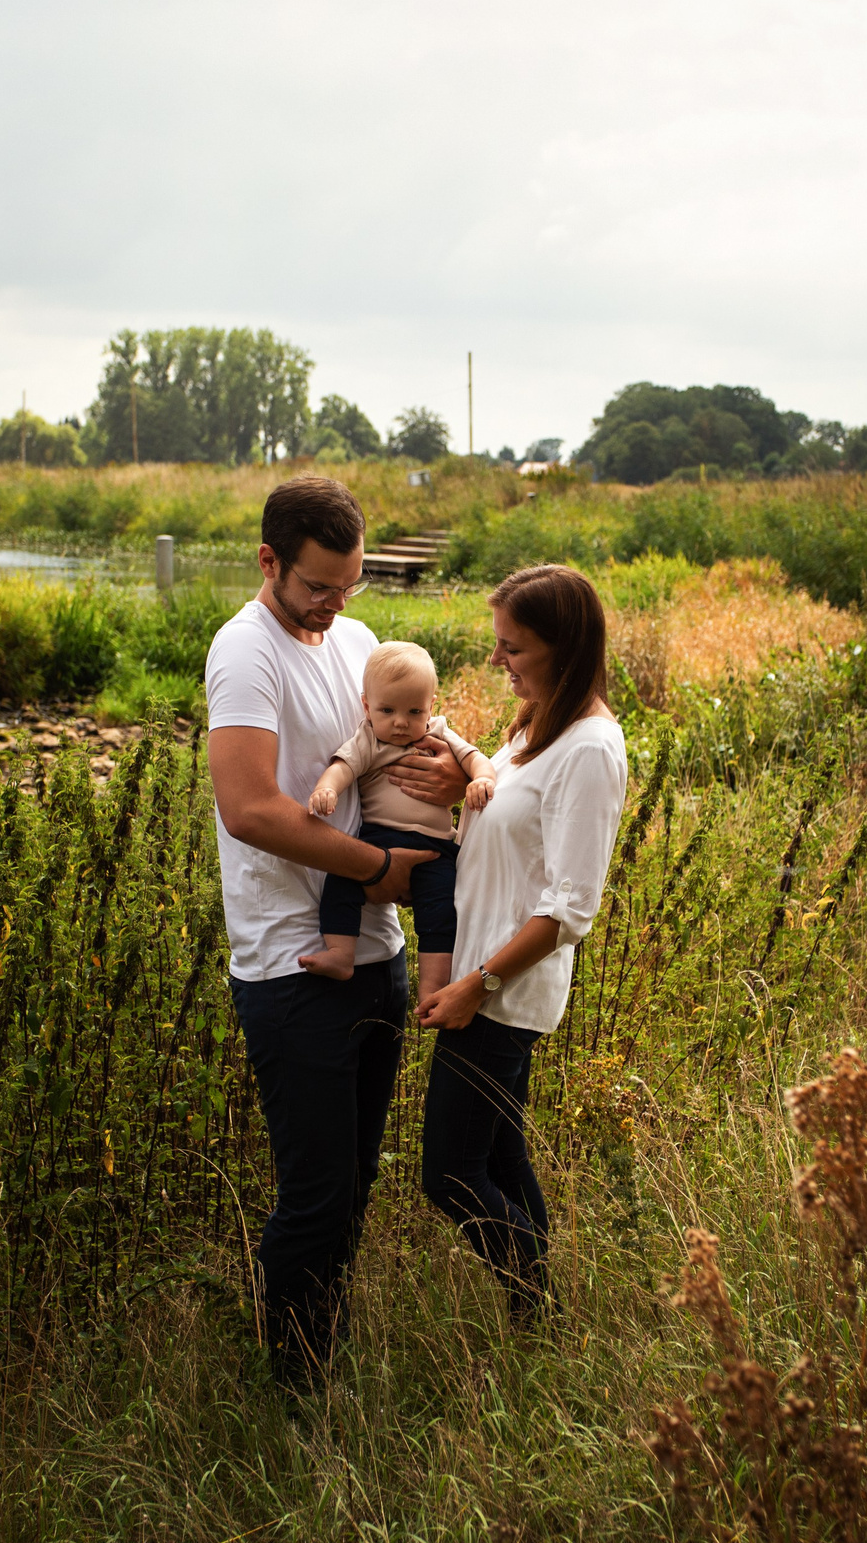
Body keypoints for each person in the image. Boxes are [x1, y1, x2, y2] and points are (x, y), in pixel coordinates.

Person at [204, 475, 469, 1391]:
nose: (334, 604)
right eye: (318, 585)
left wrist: (447, 771)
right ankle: (297, 1390)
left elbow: (402, 728)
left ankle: (328, 1354)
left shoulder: (354, 639)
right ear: (270, 562)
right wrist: (376, 871)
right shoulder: (245, 653)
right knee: (314, 1195)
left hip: (378, 955)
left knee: (354, 1182)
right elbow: (248, 808)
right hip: (291, 963)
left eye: (349, 584)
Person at [414, 563, 627, 1326]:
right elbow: (504, 836)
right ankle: (541, 1323)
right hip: (480, 980)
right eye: (496, 642)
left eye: (514, 648)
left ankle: (537, 1301)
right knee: (500, 1157)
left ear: (564, 647)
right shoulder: (535, 729)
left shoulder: (590, 750)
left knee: (449, 1173)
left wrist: (478, 983)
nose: (497, 660)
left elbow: (570, 906)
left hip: (501, 993)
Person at [297, 640, 497, 1001]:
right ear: (367, 706)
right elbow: (343, 768)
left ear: (431, 707)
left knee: (439, 915)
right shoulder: (369, 739)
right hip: (378, 841)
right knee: (340, 885)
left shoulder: (438, 733)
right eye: (387, 710)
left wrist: (482, 779)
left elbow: (476, 759)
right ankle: (341, 955)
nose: (401, 723)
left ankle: (433, 989)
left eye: (414, 711)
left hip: (436, 848)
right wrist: (327, 789)